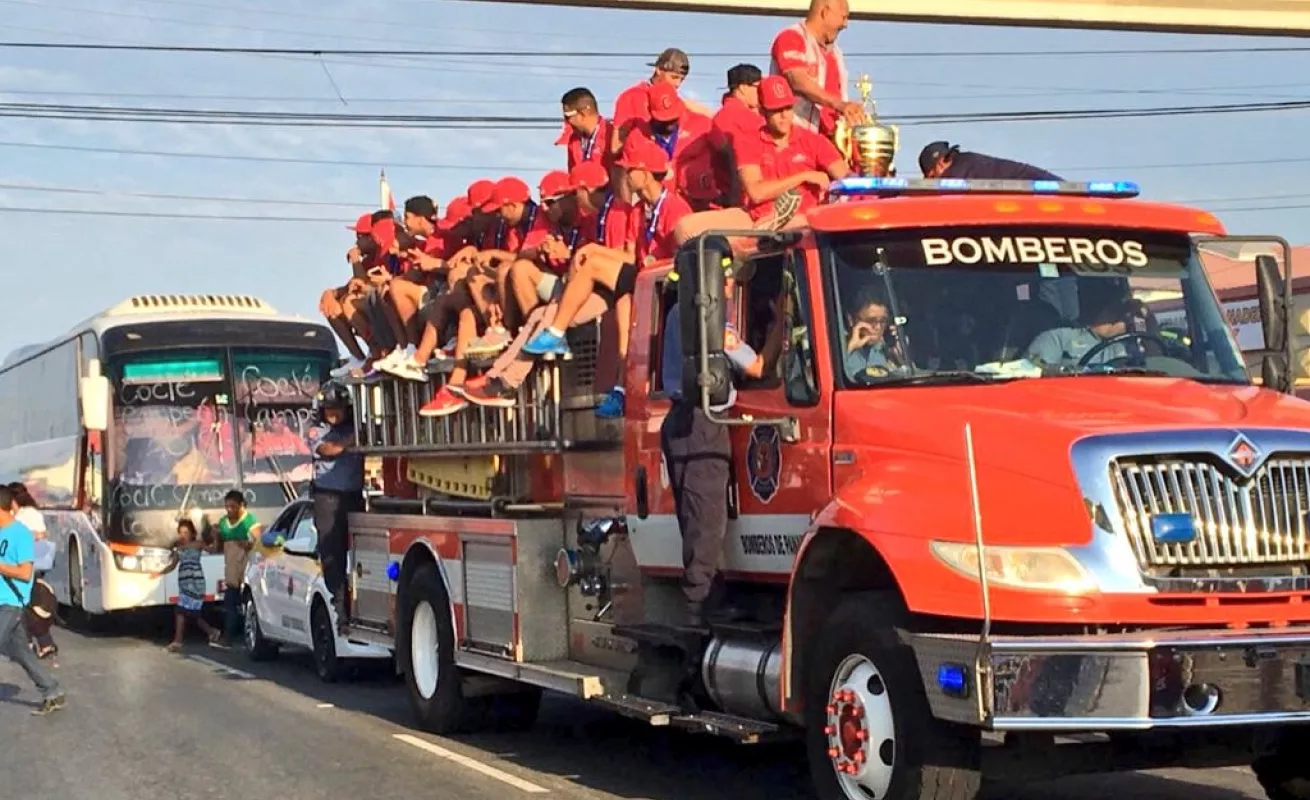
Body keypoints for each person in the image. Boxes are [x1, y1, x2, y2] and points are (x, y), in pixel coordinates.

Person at [660, 263, 787, 625]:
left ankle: (705, 602)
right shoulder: (711, 319)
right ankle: (700, 611)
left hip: (683, 420)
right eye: (727, 280)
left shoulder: (676, 312)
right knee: (706, 520)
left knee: (697, 520)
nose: (731, 287)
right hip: (701, 424)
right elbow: (758, 368)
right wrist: (781, 323)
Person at [0, 486, 64, 715]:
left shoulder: (20, 534)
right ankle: (52, 690)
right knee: (21, 653)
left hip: (11, 601)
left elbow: (25, 572)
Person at [308, 381, 365, 635]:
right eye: (329, 409)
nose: (333, 413)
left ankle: (361, 604)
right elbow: (328, 450)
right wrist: (352, 441)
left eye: (338, 409)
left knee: (363, 552)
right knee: (332, 554)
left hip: (354, 496)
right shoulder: (316, 431)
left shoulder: (356, 428)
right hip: (327, 499)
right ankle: (340, 609)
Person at [769, 0, 862, 139]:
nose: (846, 24)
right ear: (825, 12)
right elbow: (797, 80)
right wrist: (840, 104)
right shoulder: (792, 37)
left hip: (831, 143)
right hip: (797, 141)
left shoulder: (835, 53)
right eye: (844, 17)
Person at [8, 483, 56, 660]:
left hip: (23, 565)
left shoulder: (20, 516)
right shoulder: (34, 513)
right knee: (30, 605)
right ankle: (42, 643)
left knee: (20, 607)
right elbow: (42, 534)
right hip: (37, 564)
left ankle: (30, 643)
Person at [169, 519, 221, 652]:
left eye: (186, 532)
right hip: (184, 583)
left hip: (196, 583)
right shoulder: (178, 549)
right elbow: (172, 565)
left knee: (185, 612)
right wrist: (158, 573)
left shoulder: (198, 544)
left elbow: (213, 550)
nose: (183, 535)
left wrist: (215, 537)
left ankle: (179, 640)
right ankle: (210, 632)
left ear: (192, 533)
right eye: (180, 532)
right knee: (186, 612)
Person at [217, 489, 260, 646]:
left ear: (241, 505)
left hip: (245, 567)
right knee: (230, 603)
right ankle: (230, 635)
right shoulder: (223, 523)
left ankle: (237, 636)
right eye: (227, 507)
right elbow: (218, 544)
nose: (229, 510)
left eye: (233, 506)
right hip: (231, 569)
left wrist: (249, 544)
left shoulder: (249, 521)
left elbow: (259, 542)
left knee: (243, 602)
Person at [918, 141, 1063, 181]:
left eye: (932, 177)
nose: (934, 183)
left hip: (1046, 186)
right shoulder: (968, 163)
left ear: (941, 163)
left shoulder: (960, 170)